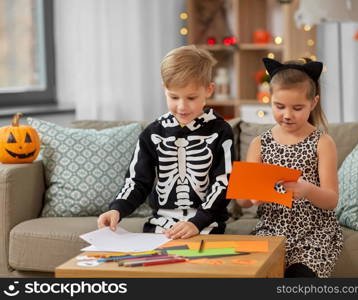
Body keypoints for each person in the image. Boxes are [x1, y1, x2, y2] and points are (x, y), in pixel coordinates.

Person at [98, 45, 234, 239]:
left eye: (191, 97)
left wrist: (198, 221)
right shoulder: (152, 134)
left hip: (206, 223)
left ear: (209, 90)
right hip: (161, 224)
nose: (182, 106)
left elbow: (224, 183)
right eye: (174, 96)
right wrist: (117, 209)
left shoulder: (220, 131)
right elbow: (137, 181)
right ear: (164, 89)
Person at [237, 57, 343, 278]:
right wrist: (254, 195)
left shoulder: (322, 142)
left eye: (297, 108)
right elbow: (243, 201)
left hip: (314, 235)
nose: (287, 114)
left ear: (313, 103)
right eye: (279, 106)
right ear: (270, 100)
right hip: (271, 231)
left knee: (299, 277)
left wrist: (307, 190)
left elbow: (332, 199)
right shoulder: (259, 144)